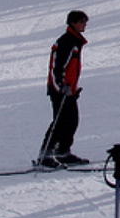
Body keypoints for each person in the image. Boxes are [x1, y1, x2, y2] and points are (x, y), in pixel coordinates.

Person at [38, 10, 90, 168]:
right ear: (73, 23)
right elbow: (56, 66)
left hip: (69, 90)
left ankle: (63, 151)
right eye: (82, 21)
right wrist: (60, 87)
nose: (84, 25)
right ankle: (45, 154)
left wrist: (72, 88)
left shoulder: (75, 41)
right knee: (60, 121)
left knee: (72, 120)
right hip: (60, 90)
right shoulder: (67, 41)